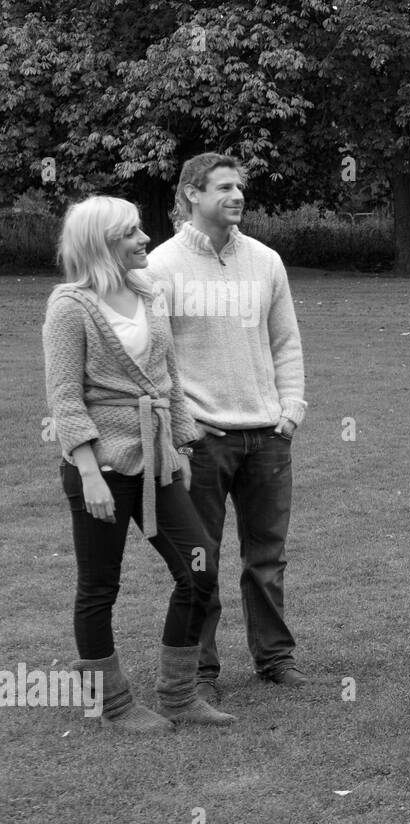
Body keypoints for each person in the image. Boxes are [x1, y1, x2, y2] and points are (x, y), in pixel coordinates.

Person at [43, 196, 236, 731]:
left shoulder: (147, 294)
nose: (145, 238)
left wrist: (181, 447)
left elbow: (167, 383)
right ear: (103, 243)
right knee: (99, 588)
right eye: (131, 232)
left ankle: (178, 694)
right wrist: (88, 474)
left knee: (198, 568)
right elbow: (64, 399)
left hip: (157, 462)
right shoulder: (70, 307)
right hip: (99, 467)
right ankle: (116, 705)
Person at [147, 153, 308, 702]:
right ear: (192, 194)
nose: (237, 195)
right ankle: (199, 672)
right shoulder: (160, 267)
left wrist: (290, 411)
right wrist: (180, 427)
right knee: (202, 559)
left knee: (267, 557)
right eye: (223, 187)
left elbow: (285, 342)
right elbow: (154, 358)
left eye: (240, 186)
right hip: (201, 438)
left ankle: (275, 659)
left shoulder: (266, 261)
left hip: (267, 436)